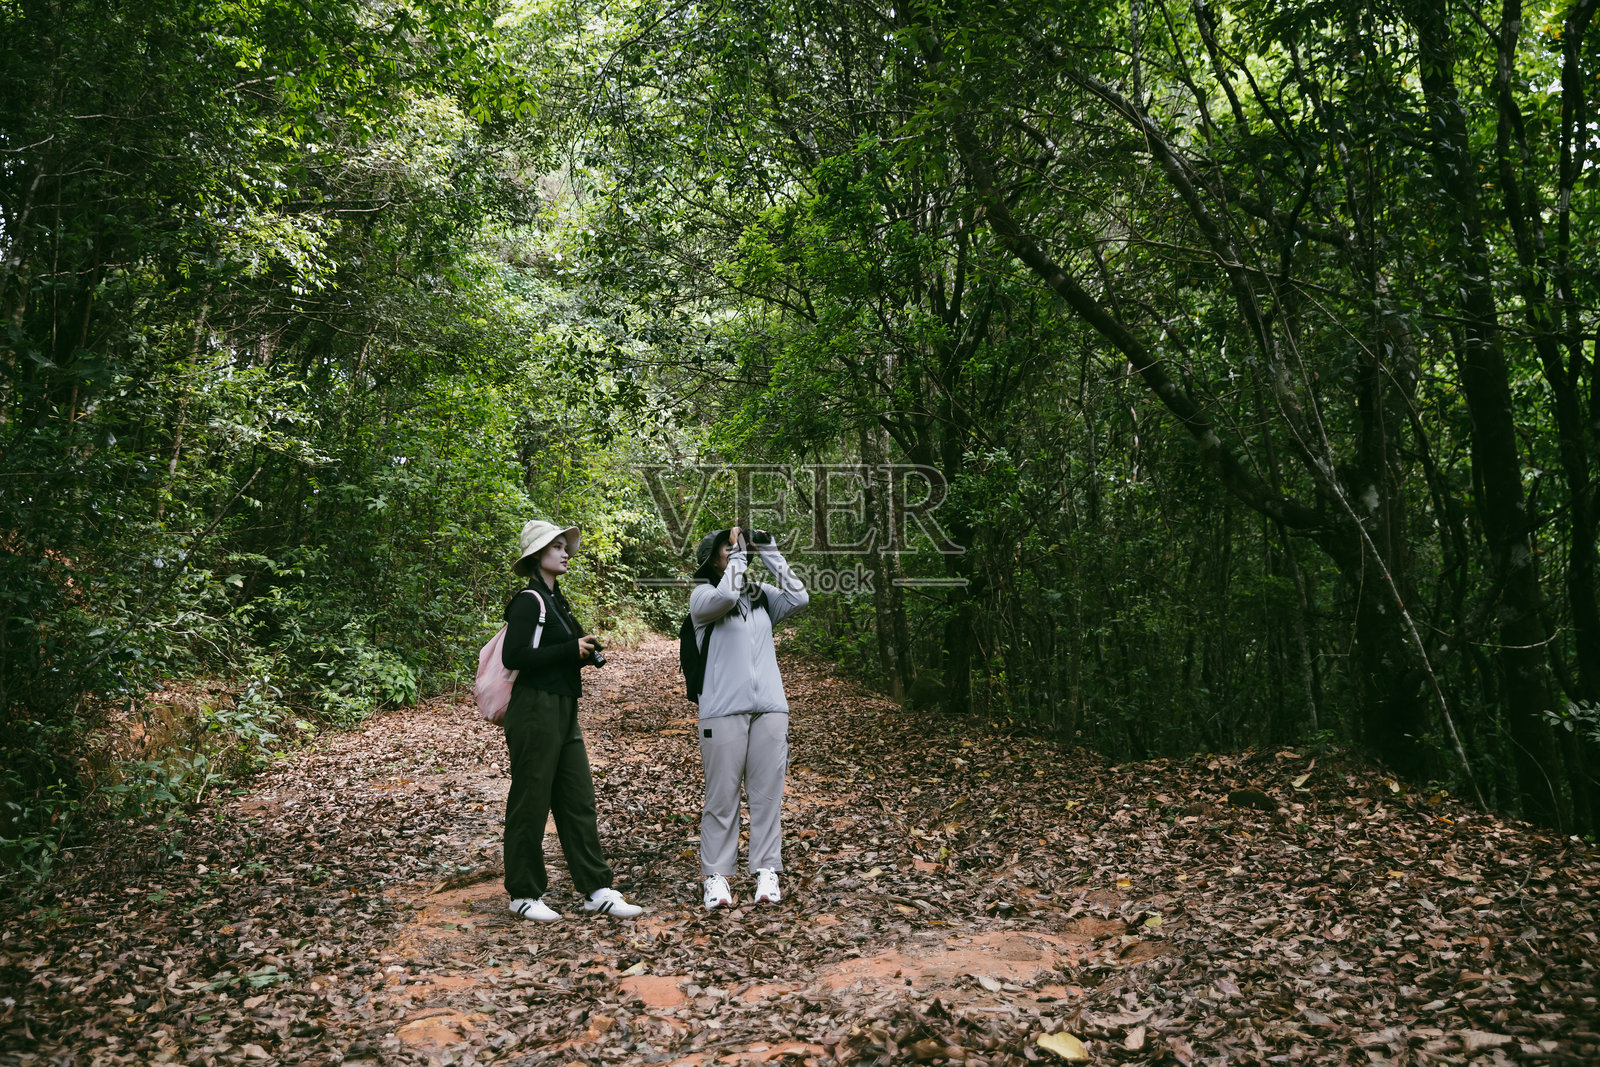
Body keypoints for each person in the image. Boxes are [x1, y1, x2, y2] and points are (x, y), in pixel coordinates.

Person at [500, 519, 642, 922]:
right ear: (536, 555)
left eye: (565, 546)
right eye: (556, 546)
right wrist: (568, 651)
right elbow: (515, 658)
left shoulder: (556, 600)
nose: (565, 552)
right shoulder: (528, 600)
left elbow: (561, 647)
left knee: (577, 799)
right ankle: (523, 893)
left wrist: (578, 648)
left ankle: (596, 888)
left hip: (563, 707)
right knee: (531, 799)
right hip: (534, 708)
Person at [689, 525, 809, 910]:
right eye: (728, 548)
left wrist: (768, 549)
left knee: (767, 796)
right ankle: (716, 877)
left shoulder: (760, 597)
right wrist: (739, 556)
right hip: (722, 711)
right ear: (712, 560)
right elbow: (727, 594)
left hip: (771, 708)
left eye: (738, 548)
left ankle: (766, 870)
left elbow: (799, 596)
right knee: (721, 798)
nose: (737, 551)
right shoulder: (703, 597)